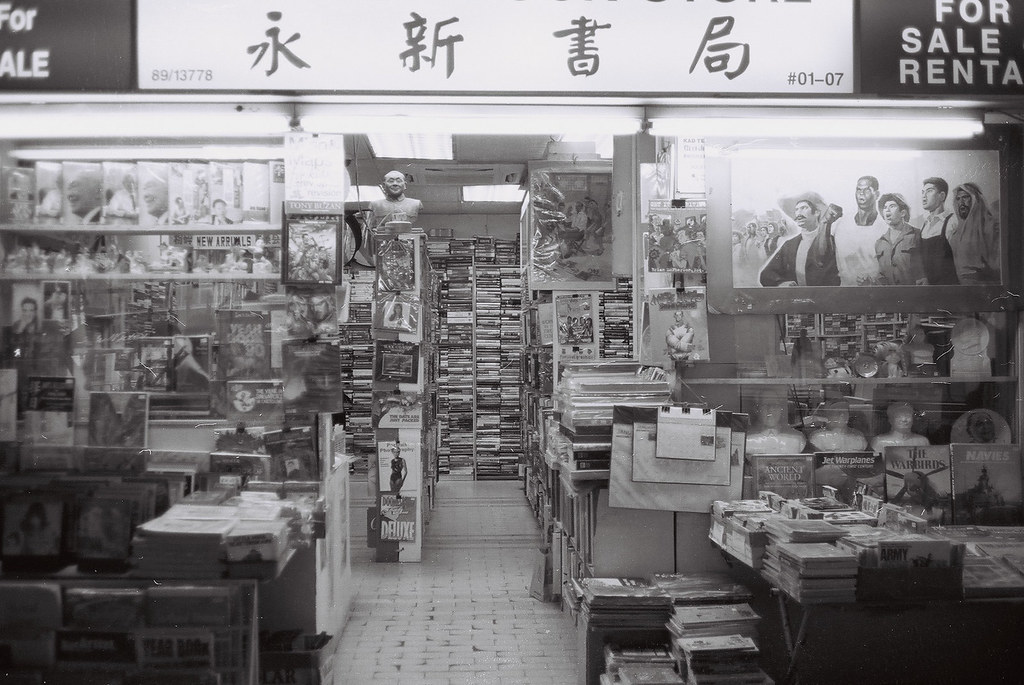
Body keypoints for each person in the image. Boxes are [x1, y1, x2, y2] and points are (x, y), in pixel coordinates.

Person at [758, 194, 840, 287]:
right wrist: (780, 283)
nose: (798, 213)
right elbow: (766, 274)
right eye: (796, 210)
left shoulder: (831, 240)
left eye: (803, 208)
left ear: (817, 212)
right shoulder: (789, 245)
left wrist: (825, 224)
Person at [834, 175, 886, 285]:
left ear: (877, 194)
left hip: (874, 294)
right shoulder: (840, 224)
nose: (861, 193)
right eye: (858, 189)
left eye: (867, 189)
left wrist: (873, 284)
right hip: (844, 293)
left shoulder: (885, 228)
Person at [948, 182, 999, 284]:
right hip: (959, 287)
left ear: (975, 199)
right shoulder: (955, 232)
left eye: (965, 197)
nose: (961, 202)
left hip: (981, 286)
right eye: (958, 199)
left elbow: (996, 264)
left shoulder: (989, 225)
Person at [874, 193, 925, 285]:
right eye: (885, 207)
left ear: (903, 213)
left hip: (914, 295)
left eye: (892, 206)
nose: (887, 210)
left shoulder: (917, 235)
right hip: (890, 296)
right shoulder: (880, 243)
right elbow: (881, 275)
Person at [915, 177, 959, 285]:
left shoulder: (952, 222)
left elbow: (959, 262)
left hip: (947, 288)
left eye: (929, 191)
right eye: (922, 192)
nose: (923, 196)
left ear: (942, 196)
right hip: (928, 290)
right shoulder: (925, 224)